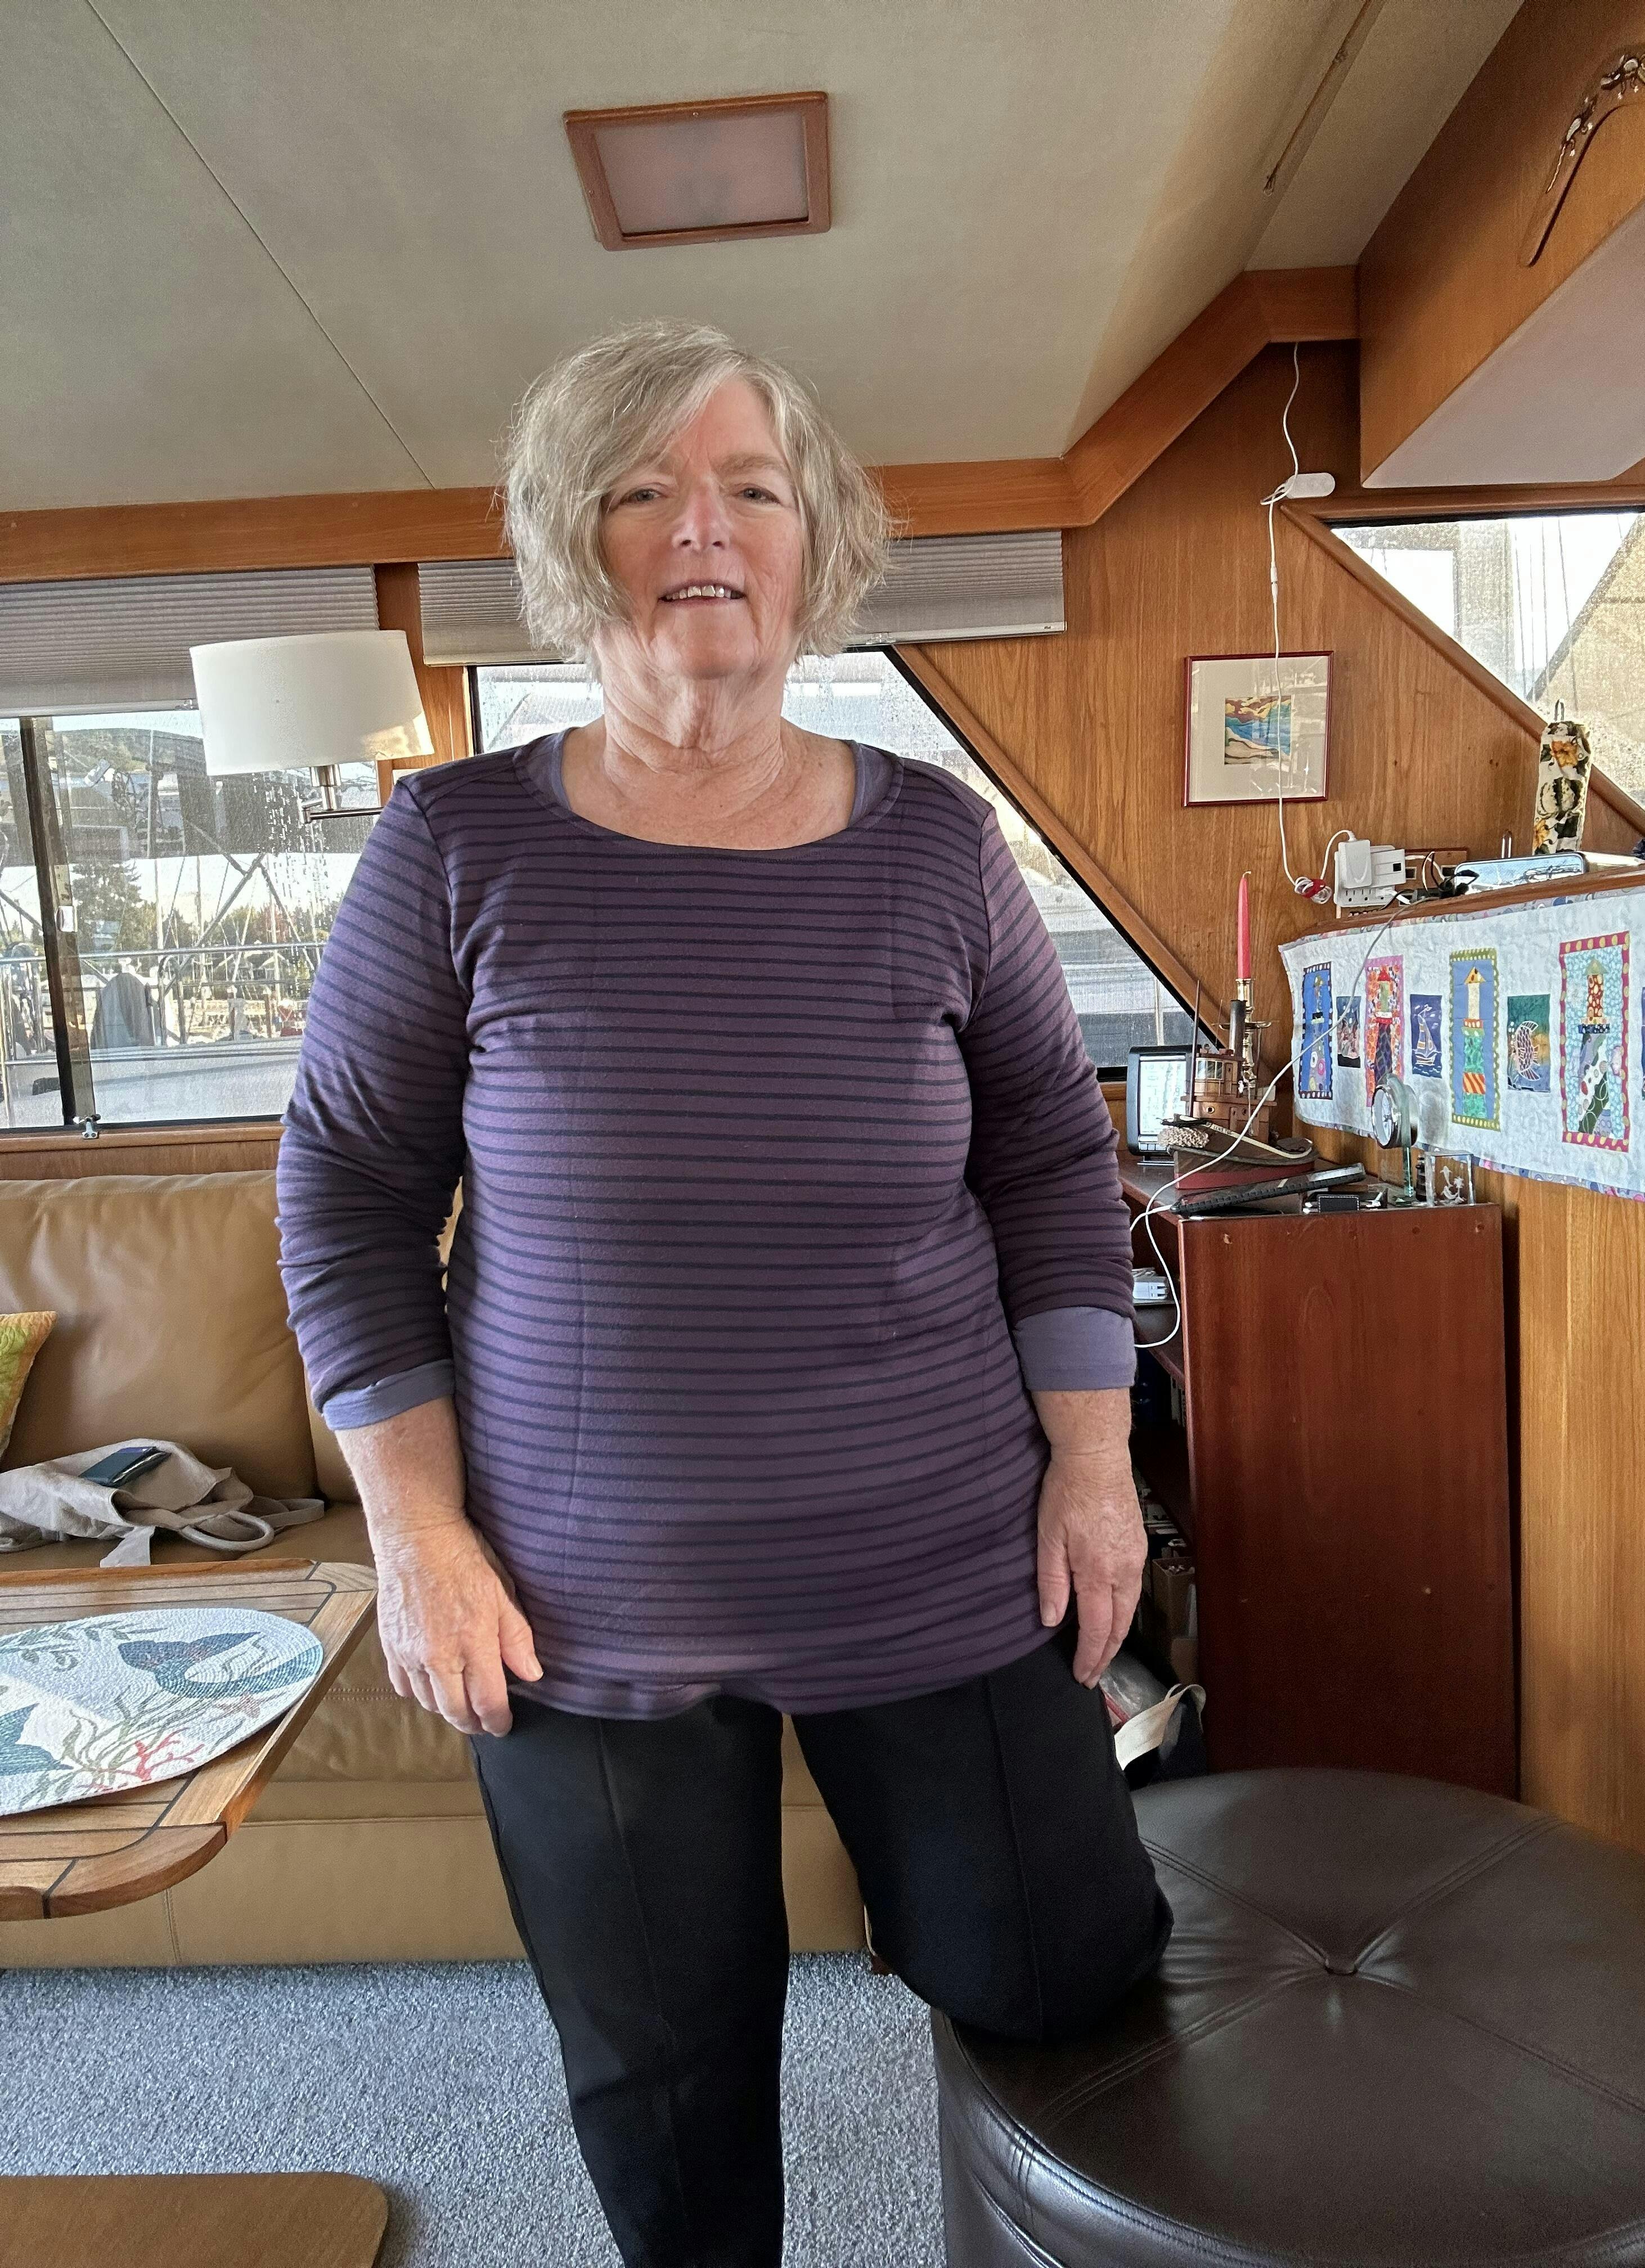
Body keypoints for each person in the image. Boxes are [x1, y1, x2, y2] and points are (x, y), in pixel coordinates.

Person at [276, 319, 1170, 2268]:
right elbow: (347, 1194)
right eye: (644, 489)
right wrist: (415, 1537)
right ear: (570, 540)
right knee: (669, 2093)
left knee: (1058, 1970)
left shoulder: (938, 842)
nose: (705, 528)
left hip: (941, 1551)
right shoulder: (451, 845)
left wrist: (1095, 1466)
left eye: (753, 488)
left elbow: (1047, 1155)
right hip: (582, 1594)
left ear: (814, 540)